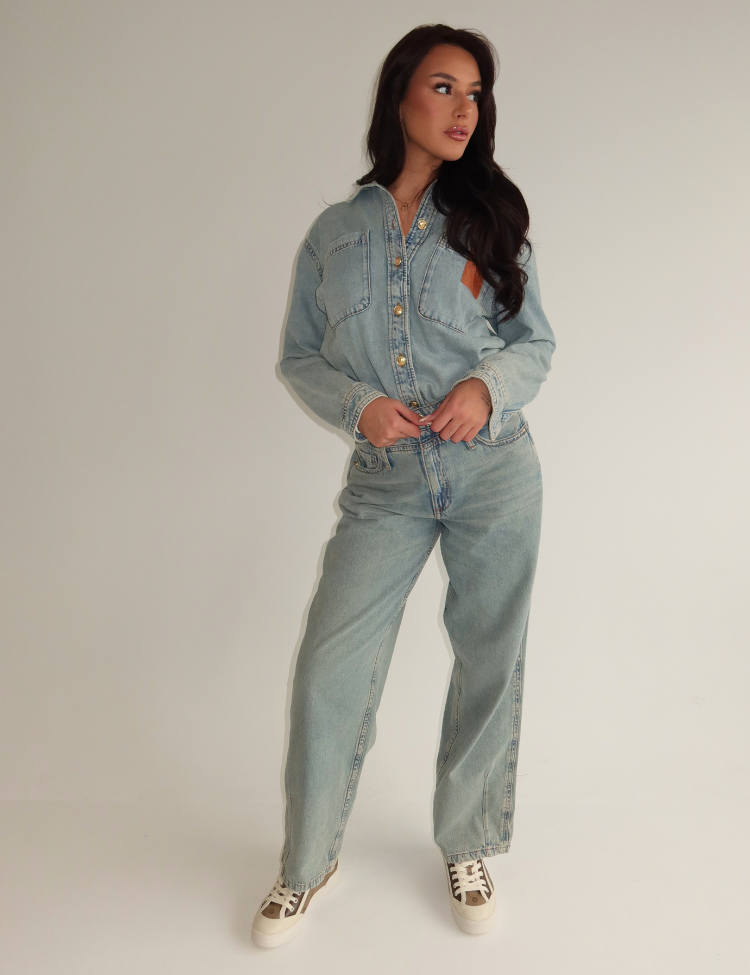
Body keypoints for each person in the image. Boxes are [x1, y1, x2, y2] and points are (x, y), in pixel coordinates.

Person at [251, 23, 555, 947]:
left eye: (476, 93)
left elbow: (534, 343)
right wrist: (358, 406)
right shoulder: (333, 236)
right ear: (399, 96)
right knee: (328, 667)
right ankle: (308, 860)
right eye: (445, 87)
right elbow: (299, 357)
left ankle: (468, 842)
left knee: (489, 657)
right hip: (385, 482)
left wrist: (484, 387)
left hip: (493, 472)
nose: (465, 109)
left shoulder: (487, 218)